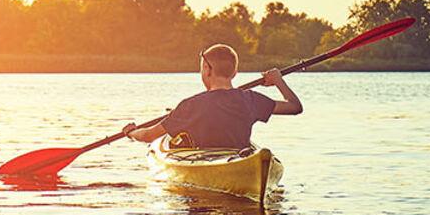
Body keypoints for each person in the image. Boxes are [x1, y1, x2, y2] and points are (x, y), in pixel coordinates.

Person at [123, 43, 302, 149]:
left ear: (207, 70)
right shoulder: (251, 100)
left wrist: (131, 132)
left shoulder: (190, 106)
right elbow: (295, 107)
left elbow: (148, 136)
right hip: (237, 157)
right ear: (234, 73)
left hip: (208, 161)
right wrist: (278, 81)